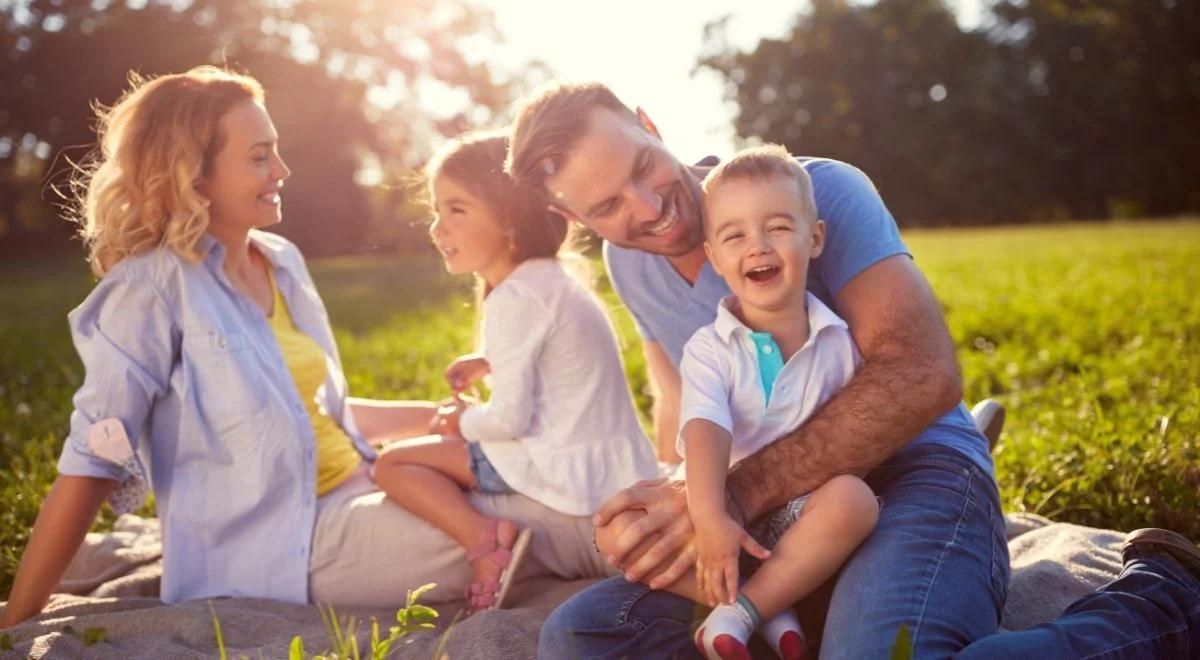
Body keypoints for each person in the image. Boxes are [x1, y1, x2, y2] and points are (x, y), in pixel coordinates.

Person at [505, 80, 1200, 659]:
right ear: (570, 217)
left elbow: (922, 375)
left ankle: (1161, 601)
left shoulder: (816, 191)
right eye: (606, 207)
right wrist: (672, 508)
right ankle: (794, 616)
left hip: (912, 471)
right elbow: (687, 396)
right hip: (776, 515)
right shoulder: (629, 264)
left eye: (641, 168)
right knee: (582, 635)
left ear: (649, 123)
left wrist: (731, 497)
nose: (649, 208)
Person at [0, 68, 608, 628]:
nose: (282, 169)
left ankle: (679, 534)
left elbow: (313, 415)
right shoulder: (148, 290)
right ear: (195, 175)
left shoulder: (280, 261)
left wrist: (443, 422)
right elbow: (93, 461)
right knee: (541, 523)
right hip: (289, 545)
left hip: (363, 483)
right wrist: (18, 617)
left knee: (556, 479)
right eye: (260, 157)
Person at [605, 144, 878, 659]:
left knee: (854, 501)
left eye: (777, 227)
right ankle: (776, 608)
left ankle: (745, 611)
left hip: (802, 513)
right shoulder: (710, 348)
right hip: (724, 503)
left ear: (814, 238)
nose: (757, 247)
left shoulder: (840, 339)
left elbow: (863, 432)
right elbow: (706, 432)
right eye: (734, 236)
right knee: (620, 530)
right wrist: (710, 518)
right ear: (714, 256)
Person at [369, 130, 658, 615]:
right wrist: (488, 359)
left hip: (564, 474)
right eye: (437, 211)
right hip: (616, 468)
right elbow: (553, 356)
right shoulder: (554, 280)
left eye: (456, 210)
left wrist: (458, 422)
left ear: (508, 220)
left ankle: (485, 542)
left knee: (393, 464)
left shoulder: (514, 298)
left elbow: (507, 422)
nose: (438, 228)